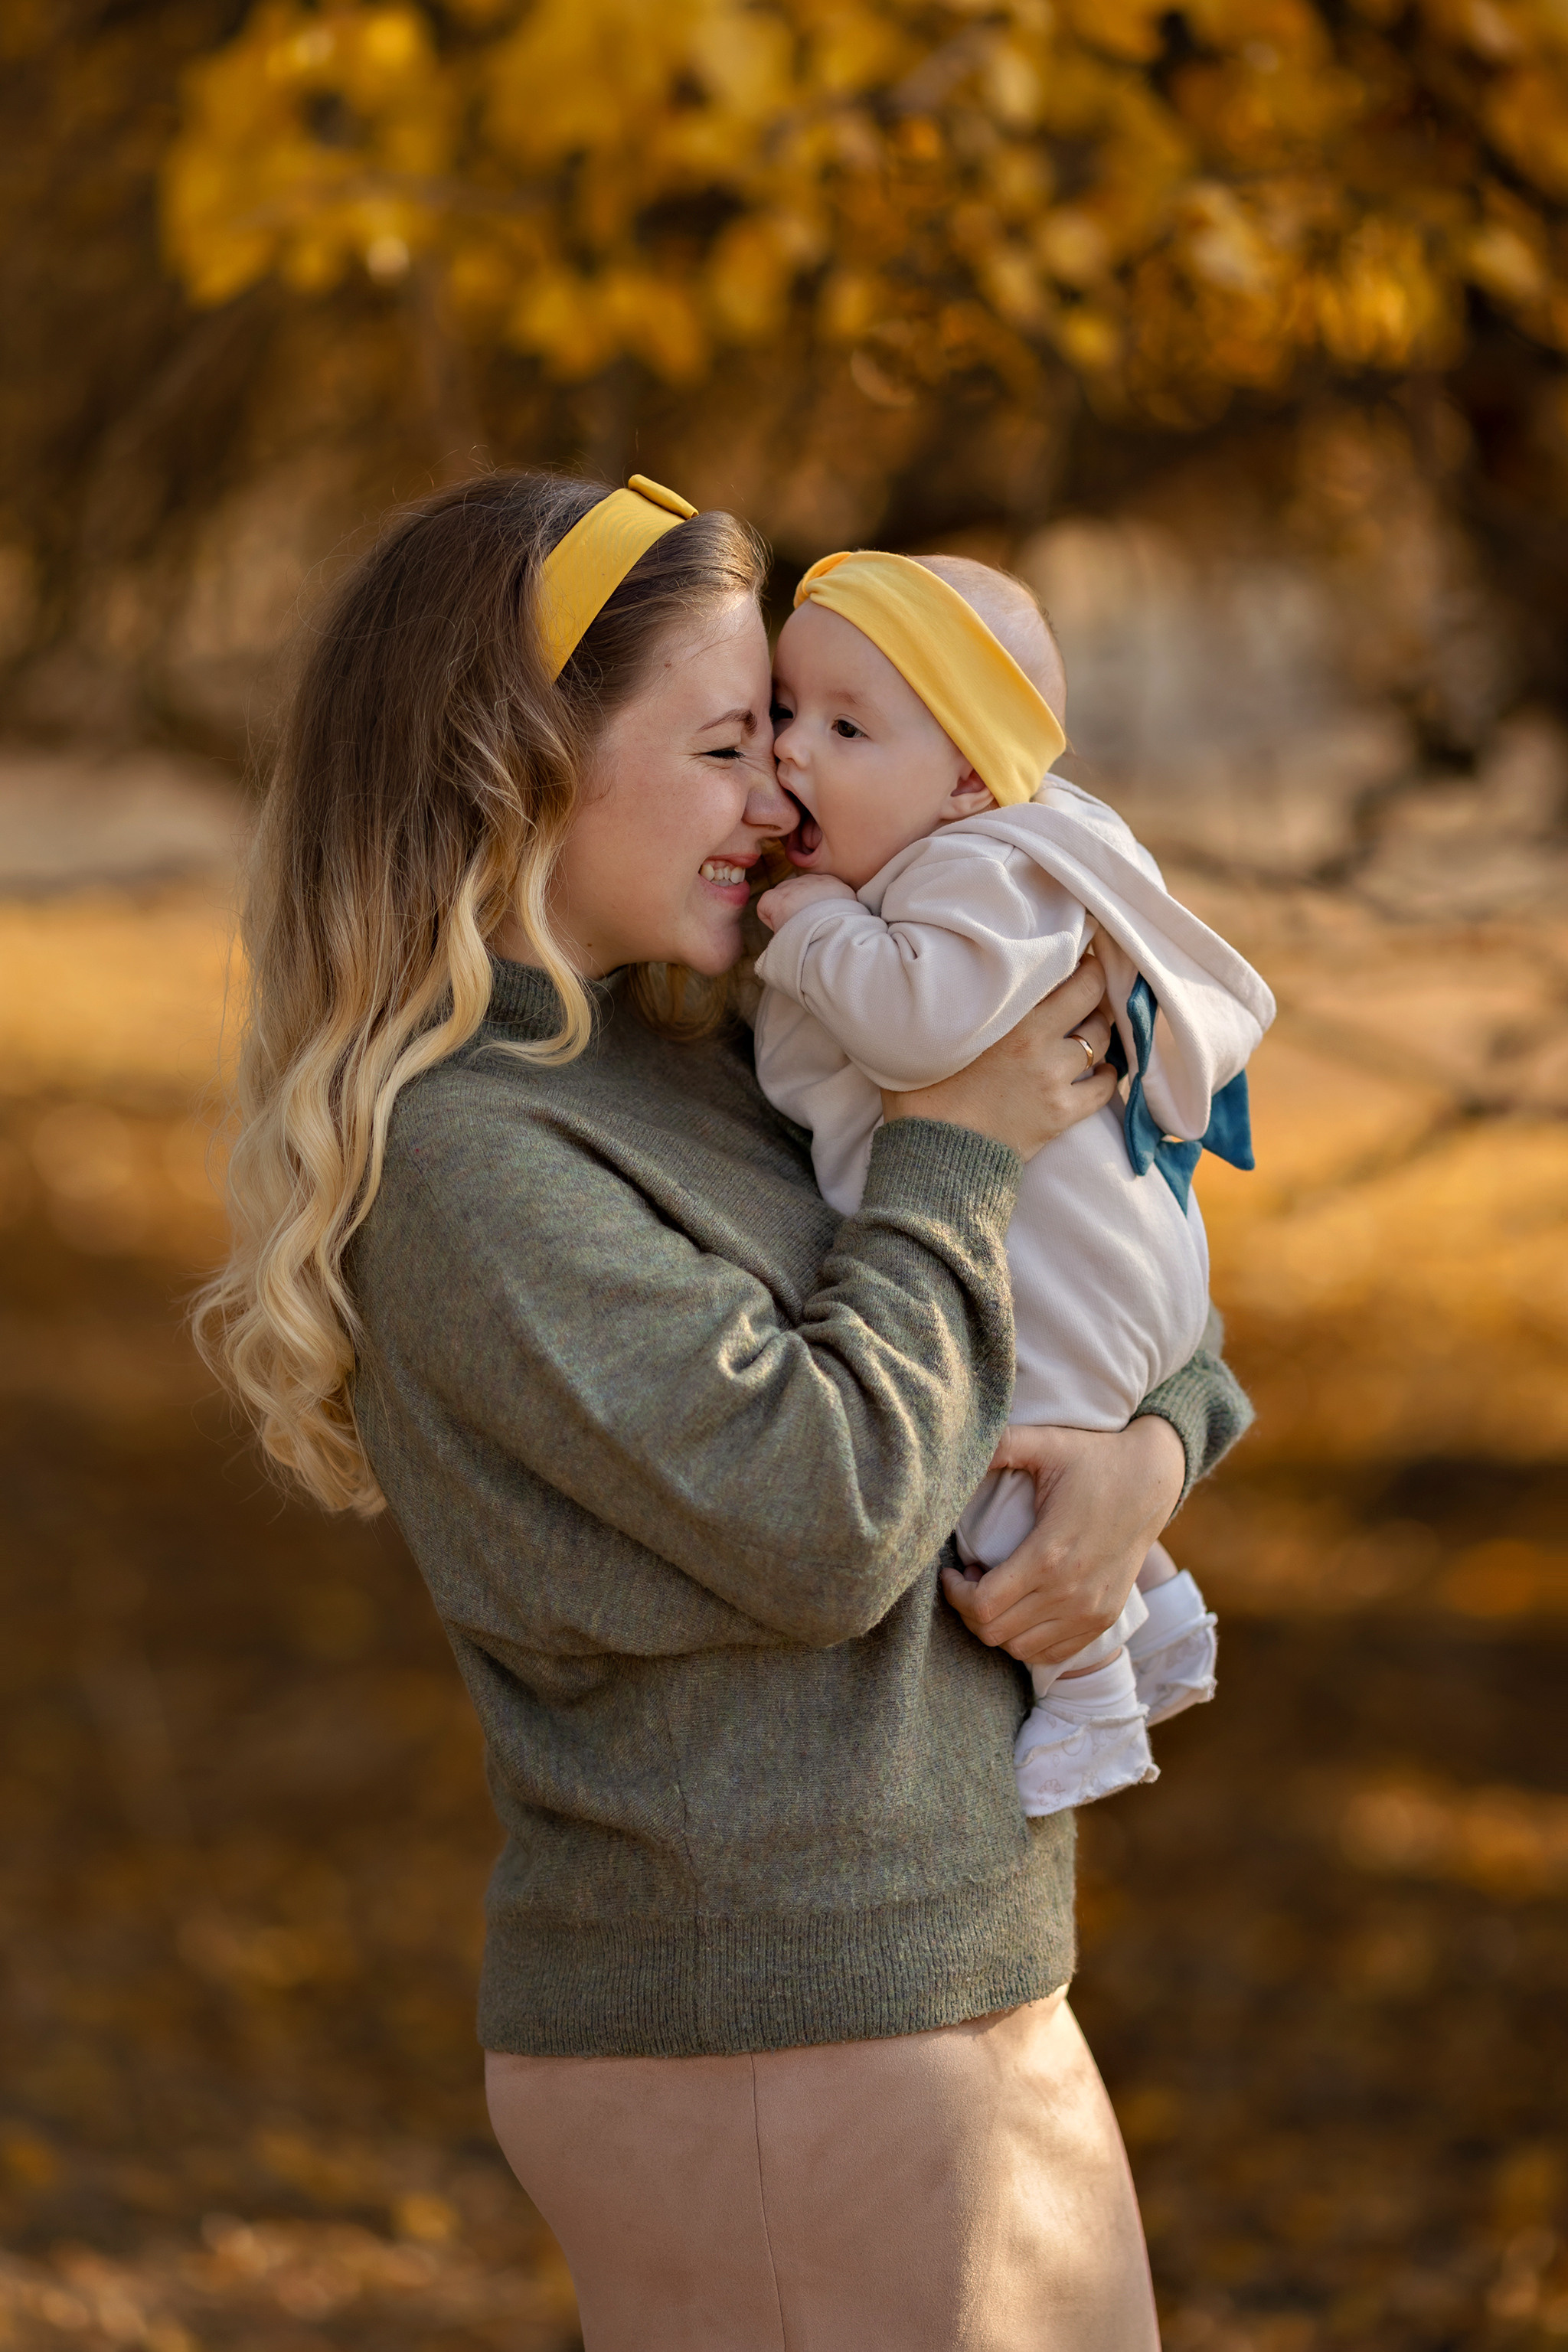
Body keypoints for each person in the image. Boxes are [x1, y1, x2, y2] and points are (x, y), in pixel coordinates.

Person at [196, 469, 1254, 2351]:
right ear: (517, 765)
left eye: (787, 732)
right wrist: (947, 1153)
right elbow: (828, 1513)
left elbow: (1088, 1288)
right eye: (725, 740)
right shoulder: (472, 1161)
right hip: (764, 2029)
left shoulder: (700, 1062)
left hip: (943, 1985)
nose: (781, 793)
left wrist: (1150, 1449)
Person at [753, 548, 1273, 1818]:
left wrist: (814, 920)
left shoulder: (975, 866)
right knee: (1065, 1450)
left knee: (993, 1461)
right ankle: (1157, 1611)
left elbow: (921, 1028)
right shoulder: (1005, 852)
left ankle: (1091, 1701)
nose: (789, 755)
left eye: (845, 727)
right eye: (776, 714)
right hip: (1128, 1261)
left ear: (972, 778)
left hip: (1063, 1261)